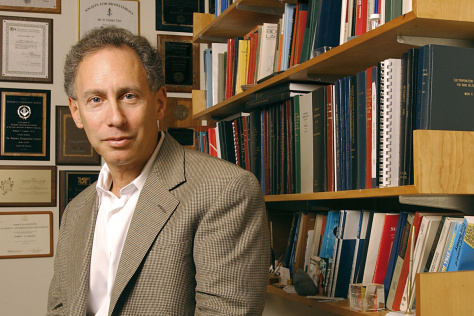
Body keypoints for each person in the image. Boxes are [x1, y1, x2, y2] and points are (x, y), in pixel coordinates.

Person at [47, 26, 270, 316]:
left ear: (159, 103)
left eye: (129, 96)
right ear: (76, 112)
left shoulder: (226, 190)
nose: (115, 118)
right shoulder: (76, 211)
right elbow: (59, 308)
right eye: (96, 100)